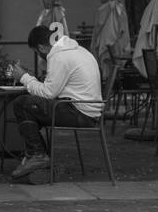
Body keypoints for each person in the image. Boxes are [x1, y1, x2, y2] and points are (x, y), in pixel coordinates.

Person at [7, 25, 103, 179]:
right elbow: (52, 90)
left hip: (79, 113)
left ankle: (37, 155)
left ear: (41, 48)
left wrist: (24, 77)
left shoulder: (58, 56)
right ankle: (35, 156)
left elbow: (48, 93)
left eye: (37, 53)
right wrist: (30, 78)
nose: (39, 57)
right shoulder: (76, 50)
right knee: (31, 107)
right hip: (88, 111)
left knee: (22, 103)